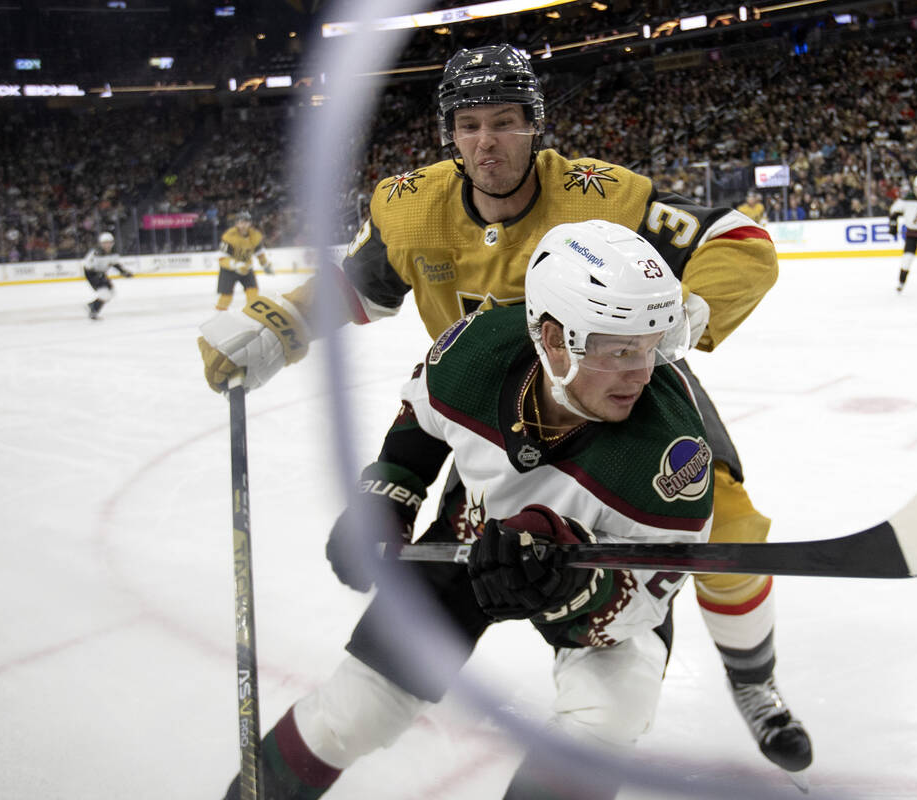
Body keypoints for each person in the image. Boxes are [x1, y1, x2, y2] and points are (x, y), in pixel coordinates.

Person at [199, 43, 812, 779]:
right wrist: (278, 326)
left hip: (618, 400)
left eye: (506, 122)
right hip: (492, 416)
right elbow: (363, 286)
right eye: (469, 126)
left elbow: (736, 237)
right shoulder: (412, 207)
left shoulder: (600, 193)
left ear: (536, 126)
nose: (487, 143)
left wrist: (691, 310)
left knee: (729, 528)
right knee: (419, 626)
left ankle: (756, 685)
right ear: (449, 135)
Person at [223, 220, 714, 799]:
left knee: (603, 725)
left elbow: (650, 593)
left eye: (653, 346)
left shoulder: (673, 458)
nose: (641, 372)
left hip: (594, 574)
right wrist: (387, 496)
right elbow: (421, 417)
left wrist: (570, 588)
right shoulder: (477, 351)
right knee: (352, 713)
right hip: (468, 533)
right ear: (554, 339)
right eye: (621, 350)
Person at [214, 210, 273, 311]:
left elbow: (259, 253)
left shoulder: (254, 236)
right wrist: (236, 265)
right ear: (236, 223)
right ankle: (220, 314)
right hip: (228, 270)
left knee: (253, 292)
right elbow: (221, 257)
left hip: (246, 268)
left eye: (246, 222)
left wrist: (265, 264)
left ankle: (253, 313)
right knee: (226, 296)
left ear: (250, 223)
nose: (243, 225)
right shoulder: (229, 237)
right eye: (241, 222)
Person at [81, 231, 133, 320]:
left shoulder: (114, 253)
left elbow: (115, 264)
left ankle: (92, 305)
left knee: (112, 292)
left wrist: (124, 272)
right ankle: (93, 310)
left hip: (101, 274)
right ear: (101, 244)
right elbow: (87, 266)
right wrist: (97, 275)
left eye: (109, 243)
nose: (107, 245)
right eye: (105, 243)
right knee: (105, 293)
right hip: (92, 274)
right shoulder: (95, 253)